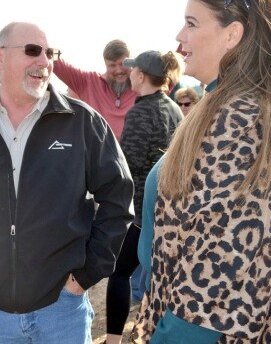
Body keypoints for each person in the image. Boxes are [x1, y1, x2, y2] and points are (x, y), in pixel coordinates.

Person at [0, 21, 134, 344]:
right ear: (0, 57)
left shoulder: (82, 122)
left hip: (62, 308)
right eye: (33, 51)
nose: (44, 61)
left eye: (49, 53)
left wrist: (87, 273)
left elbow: (118, 197)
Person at [133, 0, 271, 343]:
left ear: (232, 34)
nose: (179, 36)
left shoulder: (242, 120)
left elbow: (216, 285)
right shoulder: (223, 105)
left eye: (191, 23)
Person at [104, 51, 183, 344]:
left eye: (131, 70)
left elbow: (127, 164)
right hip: (170, 210)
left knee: (118, 272)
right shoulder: (174, 108)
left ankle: (112, 340)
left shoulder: (140, 112)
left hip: (142, 213)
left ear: (140, 75)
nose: (128, 74)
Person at [53, 39, 138, 139]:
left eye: (122, 64)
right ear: (106, 64)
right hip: (99, 153)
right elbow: (58, 64)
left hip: (136, 152)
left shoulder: (144, 85)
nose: (119, 70)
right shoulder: (88, 83)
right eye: (112, 65)